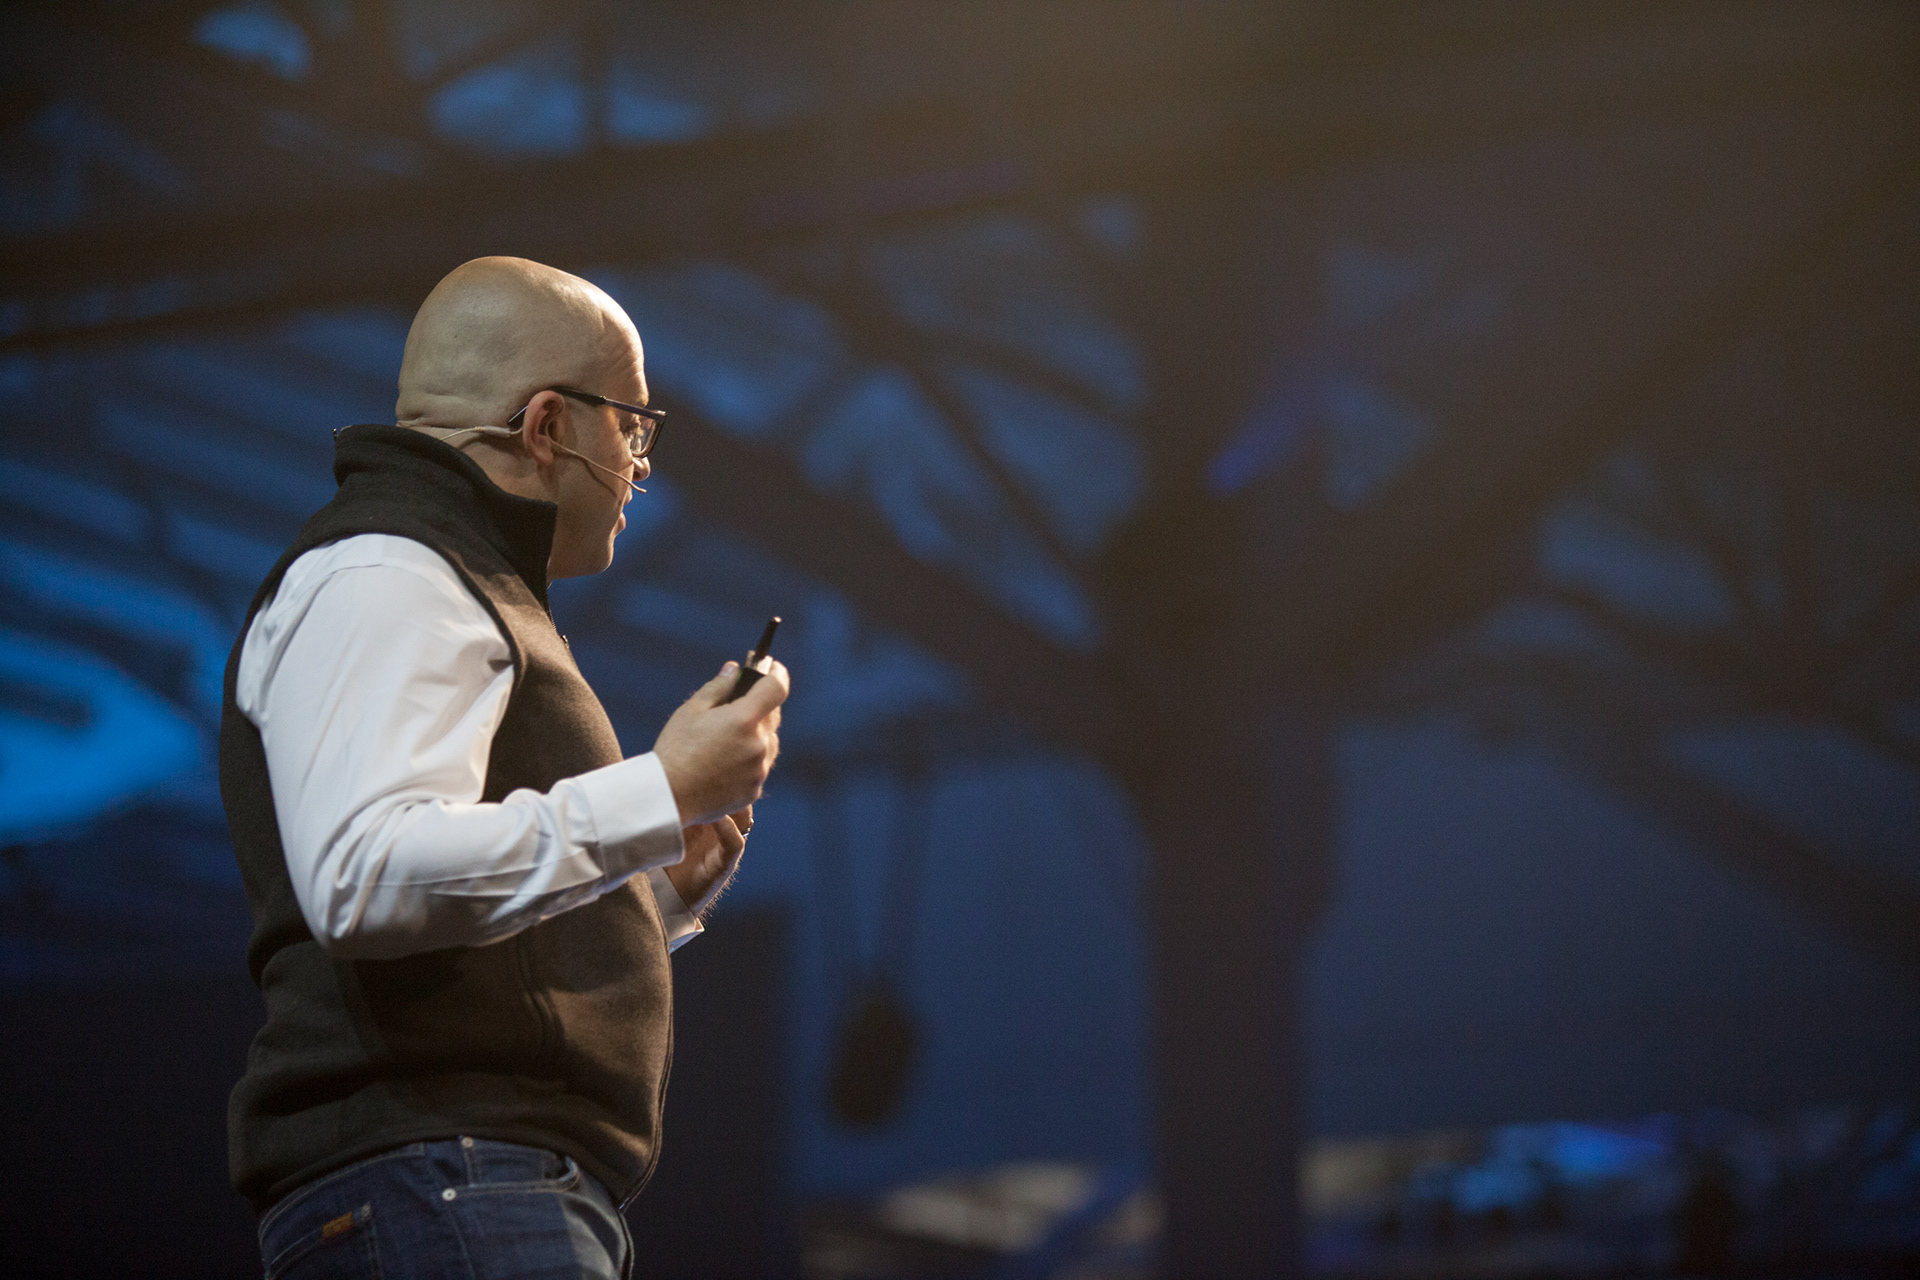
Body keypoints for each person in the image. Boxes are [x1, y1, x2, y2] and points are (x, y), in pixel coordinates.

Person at [220, 256, 789, 1278]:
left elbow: (432, 923)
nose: (642, 460)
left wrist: (645, 892)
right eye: (632, 422)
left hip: (456, 1182)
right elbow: (364, 876)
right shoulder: (392, 566)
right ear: (548, 426)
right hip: (448, 1182)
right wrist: (660, 789)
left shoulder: (433, 568)